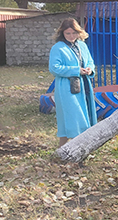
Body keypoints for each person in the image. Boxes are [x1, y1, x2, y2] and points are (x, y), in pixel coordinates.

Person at [48, 18, 97, 147]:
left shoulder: (82, 45)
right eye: (68, 33)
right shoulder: (57, 48)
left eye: (74, 33)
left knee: (85, 114)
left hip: (84, 85)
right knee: (73, 117)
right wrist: (76, 70)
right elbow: (54, 68)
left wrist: (89, 69)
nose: (71, 36)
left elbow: (90, 62)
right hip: (66, 88)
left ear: (78, 32)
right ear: (62, 33)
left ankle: (78, 147)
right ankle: (70, 148)